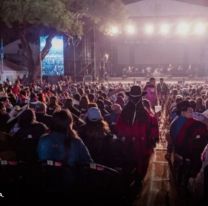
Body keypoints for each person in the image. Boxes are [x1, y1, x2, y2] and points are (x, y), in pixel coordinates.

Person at [116, 86, 159, 184]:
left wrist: (152, 139)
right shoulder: (126, 111)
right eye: (133, 97)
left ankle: (137, 180)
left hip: (141, 144)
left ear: (140, 98)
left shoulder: (145, 113)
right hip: (129, 144)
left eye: (137, 97)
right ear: (130, 97)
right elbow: (119, 127)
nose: (135, 100)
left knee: (140, 164)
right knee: (130, 164)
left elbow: (152, 128)